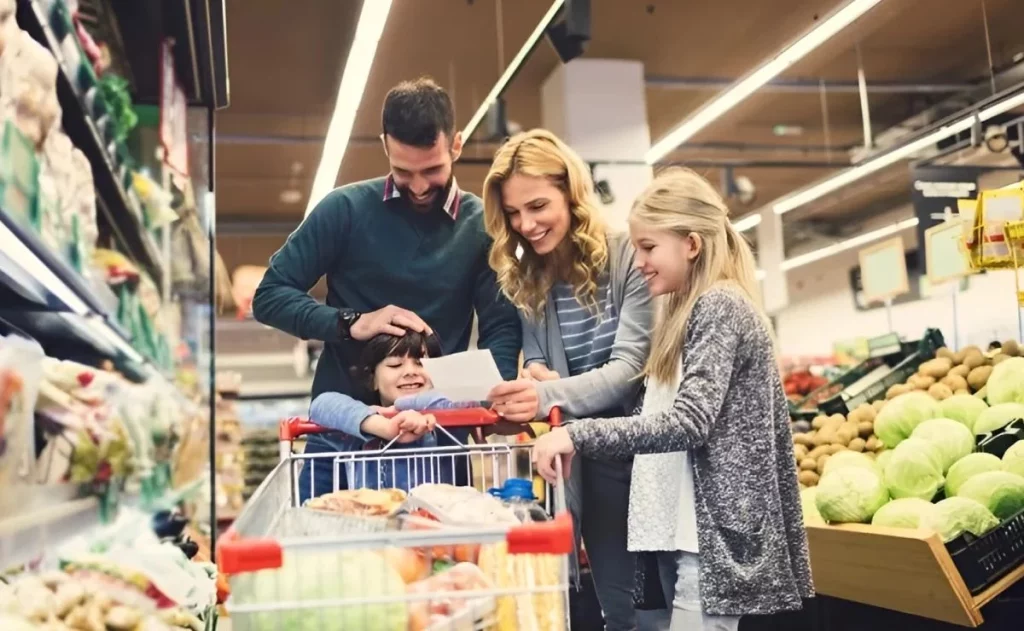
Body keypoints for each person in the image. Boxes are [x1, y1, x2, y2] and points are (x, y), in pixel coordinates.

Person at [531, 168, 814, 630]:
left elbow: (689, 422)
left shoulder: (719, 305)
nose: (638, 260)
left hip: (708, 538)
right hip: (683, 532)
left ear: (692, 244)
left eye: (648, 247)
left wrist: (575, 434)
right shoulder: (684, 310)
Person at [252, 77, 521, 499]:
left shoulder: (481, 225)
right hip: (337, 436)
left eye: (432, 170)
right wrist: (350, 323)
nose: (417, 187)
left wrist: (481, 408)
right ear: (384, 146)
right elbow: (269, 296)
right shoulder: (343, 210)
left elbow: (502, 328)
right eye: (403, 171)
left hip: (438, 438)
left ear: (457, 145)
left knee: (440, 560)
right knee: (329, 558)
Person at [479, 129, 653, 631]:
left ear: (571, 193)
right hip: (584, 462)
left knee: (650, 608)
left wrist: (546, 391)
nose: (526, 225)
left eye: (537, 206)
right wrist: (533, 376)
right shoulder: (528, 279)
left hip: (640, 460)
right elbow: (537, 361)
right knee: (614, 609)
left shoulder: (628, 260)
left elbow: (628, 371)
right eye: (513, 213)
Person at [307, 328, 478, 493]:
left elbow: (461, 401)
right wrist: (384, 426)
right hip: (373, 517)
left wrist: (405, 408)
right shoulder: (359, 424)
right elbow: (322, 404)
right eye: (395, 365)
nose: (410, 372)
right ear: (372, 379)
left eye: (420, 363)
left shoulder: (442, 419)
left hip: (431, 520)